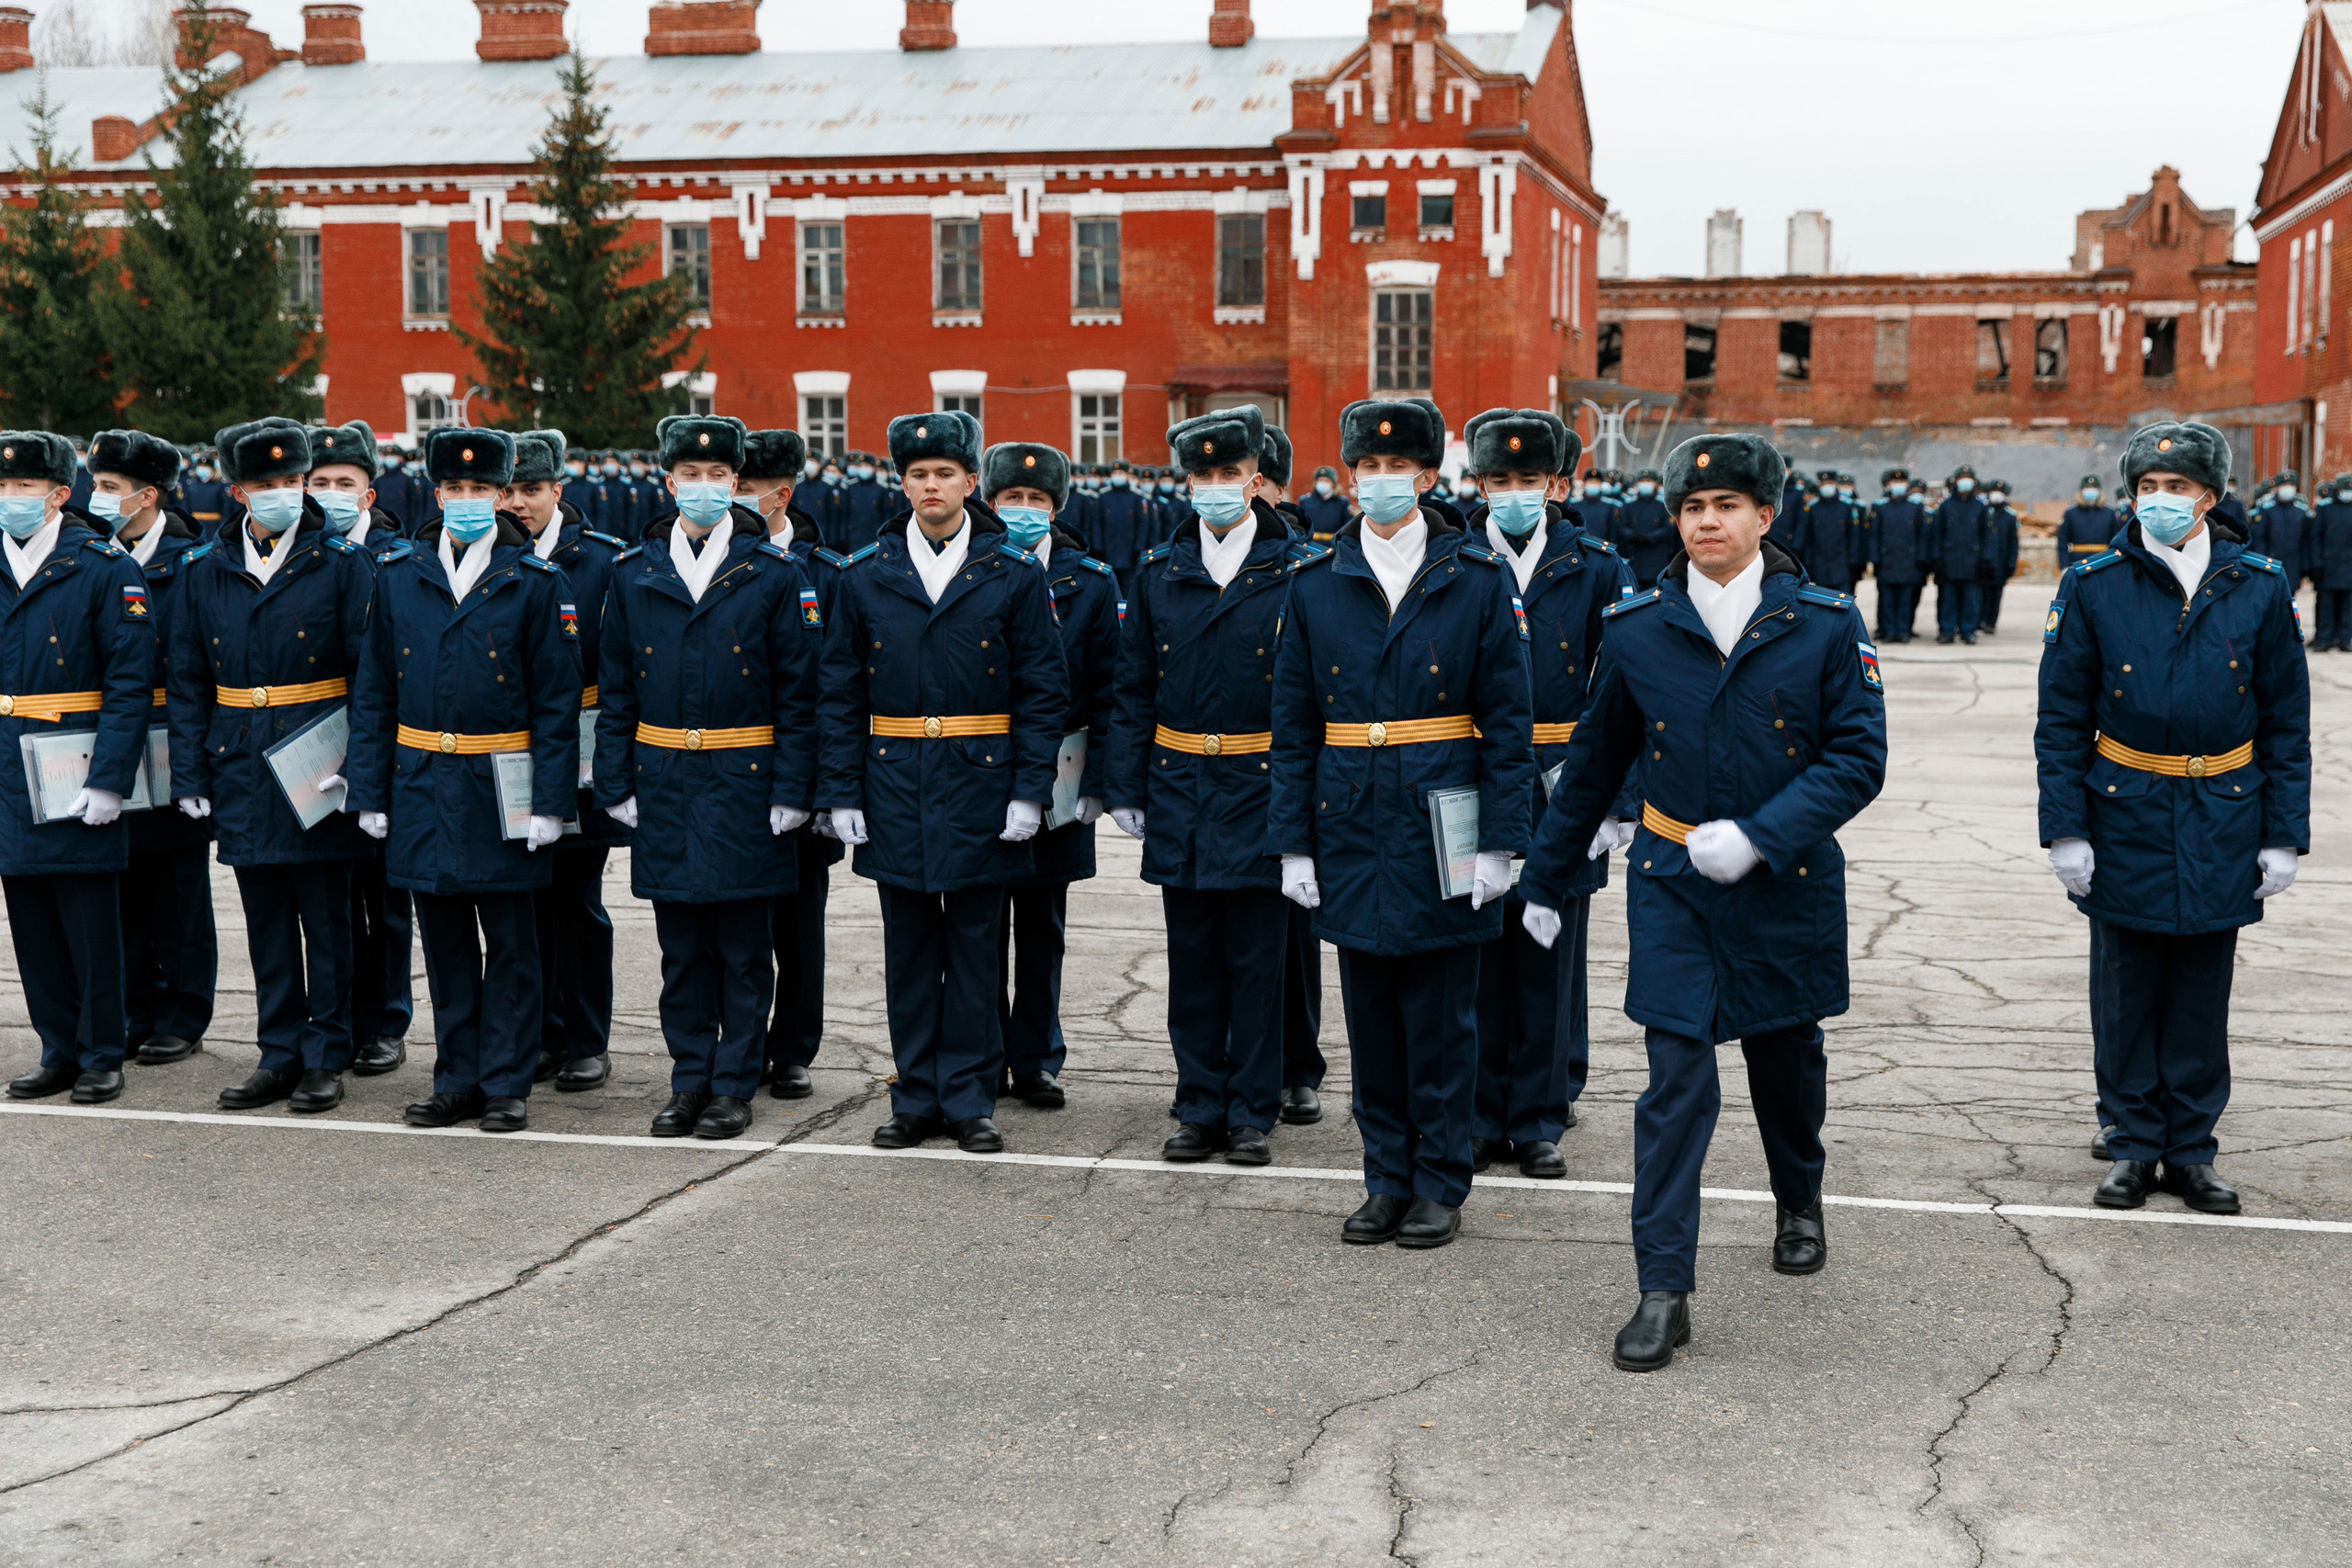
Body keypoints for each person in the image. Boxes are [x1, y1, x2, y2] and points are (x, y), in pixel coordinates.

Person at [1519, 432, 1886, 1372]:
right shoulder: (1637, 624)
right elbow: (1597, 762)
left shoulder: (1824, 622)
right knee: (1676, 1082)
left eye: (1726, 506)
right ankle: (1662, 1289)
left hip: (1784, 883)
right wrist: (1546, 878)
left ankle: (1797, 1198)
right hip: (1674, 884)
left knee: (1785, 1062)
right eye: (1692, 508)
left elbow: (1858, 761)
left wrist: (1763, 833)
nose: (1708, 521)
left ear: (1765, 516)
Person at [1268, 397, 1536, 1250]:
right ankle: (1384, 1177)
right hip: (1349, 819)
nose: (1379, 482)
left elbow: (1507, 719)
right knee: (1372, 1019)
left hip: (1442, 819)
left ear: (1428, 477)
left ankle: (1439, 1181)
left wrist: (1505, 838)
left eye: (1396, 469)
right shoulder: (1315, 581)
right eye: (1365, 469)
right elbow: (1293, 723)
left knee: (1444, 1021)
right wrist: (1293, 842)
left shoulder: (1476, 579)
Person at [2036, 422, 2308, 1216]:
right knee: (2125, 986)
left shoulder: (2257, 583)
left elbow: (2287, 720)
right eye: (2147, 489)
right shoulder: (2094, 584)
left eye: (2177, 488)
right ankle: (2130, 1143)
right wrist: (2066, 827)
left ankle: (2190, 1149)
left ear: (2210, 498)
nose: (2160, 501)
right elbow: (2059, 719)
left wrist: (2283, 832)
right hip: (2124, 808)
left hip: (2224, 810)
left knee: (2199, 988)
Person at [818, 412, 1066, 1153]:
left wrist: (1031, 789)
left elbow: (1041, 689)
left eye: (946, 474)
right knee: (911, 949)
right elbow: (836, 690)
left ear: (969, 484)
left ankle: (969, 1096)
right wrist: (842, 790)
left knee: (974, 945)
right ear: (904, 483)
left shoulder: (1012, 573)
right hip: (894, 780)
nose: (932, 486)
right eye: (919, 475)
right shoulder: (864, 574)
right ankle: (915, 1093)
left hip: (981, 782)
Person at [348, 428, 581, 1134]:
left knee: (511, 942)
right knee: (443, 940)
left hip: (498, 781)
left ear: (503, 495)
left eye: (483, 490)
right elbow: (373, 692)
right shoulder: (399, 572)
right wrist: (369, 791)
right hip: (421, 779)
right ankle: (457, 1076)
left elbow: (557, 700)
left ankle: (507, 1079)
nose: (468, 500)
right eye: (456, 489)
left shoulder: (536, 581)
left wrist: (551, 801)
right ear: (436, 492)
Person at [594, 417, 817, 1138]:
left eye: (718, 476)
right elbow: (617, 687)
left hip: (745, 780)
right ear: (669, 482)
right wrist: (614, 779)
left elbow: (798, 692)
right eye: (690, 476)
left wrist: (792, 789)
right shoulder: (634, 572)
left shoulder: (773, 573)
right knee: (682, 947)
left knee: (744, 948)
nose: (704, 487)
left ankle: (733, 1083)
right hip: (663, 776)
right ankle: (689, 1077)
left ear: (735, 483)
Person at [1110, 406, 1300, 1162]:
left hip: (1260, 781)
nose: (1216, 488)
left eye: (1230, 476)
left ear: (1256, 482)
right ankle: (1198, 1103)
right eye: (1203, 476)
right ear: (1185, 484)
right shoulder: (1160, 571)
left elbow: (1310, 698)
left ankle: (1252, 1107)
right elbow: (1132, 687)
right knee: (1191, 959)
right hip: (1182, 781)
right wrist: (1126, 786)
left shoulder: (1297, 569)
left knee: (1257, 958)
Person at [170, 420, 376, 1115]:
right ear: (238, 492)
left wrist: (360, 768)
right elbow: (190, 678)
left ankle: (326, 1052)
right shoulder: (207, 568)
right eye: (267, 485)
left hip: (318, 758)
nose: (284, 494)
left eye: (293, 481)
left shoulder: (342, 562)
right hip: (240, 761)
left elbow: (369, 678)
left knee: (325, 919)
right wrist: (191, 776)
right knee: (264, 920)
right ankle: (279, 1051)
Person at [1461, 408, 1631, 1179]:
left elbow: (1624, 692)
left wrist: (1614, 800)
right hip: (1476, 776)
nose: (1515, 494)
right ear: (1480, 484)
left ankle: (1535, 1116)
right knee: (1476, 950)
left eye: (1530, 481)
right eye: (1501, 481)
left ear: (1558, 484)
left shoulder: (1596, 564)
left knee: (1549, 954)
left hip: (1566, 778)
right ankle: (1478, 1110)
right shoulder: (1456, 554)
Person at [0, 432, 154, 1107]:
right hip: (8, 758)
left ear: (61, 495)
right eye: (3, 489)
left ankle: (101, 1051)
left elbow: (130, 682)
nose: (10, 500)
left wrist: (109, 779)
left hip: (74, 753)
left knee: (89, 921)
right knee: (30, 916)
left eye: (24, 489)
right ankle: (57, 1047)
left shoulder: (102, 564)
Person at [983, 441, 1117, 1112]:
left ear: (1058, 508)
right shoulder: (976, 565)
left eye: (1038, 501)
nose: (1024, 511)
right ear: (991, 502)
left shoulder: (1090, 580)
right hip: (980, 768)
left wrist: (1099, 780)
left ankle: (1034, 1056)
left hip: (1062, 775)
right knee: (979, 927)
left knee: (1042, 926)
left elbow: (1109, 685)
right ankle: (981, 1055)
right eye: (1012, 499)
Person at [499, 429, 629, 1095]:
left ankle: (584, 1036)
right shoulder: (490, 555)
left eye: (532, 490)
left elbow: (617, 666)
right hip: (506, 755)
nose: (519, 503)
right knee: (520, 902)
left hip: (578, 749)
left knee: (576, 900)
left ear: (558, 490)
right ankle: (539, 1036)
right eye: (510, 490)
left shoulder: (600, 563)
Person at [87, 430, 215, 1070]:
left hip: (173, 735)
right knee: (123, 882)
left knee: (179, 887)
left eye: (111, 488)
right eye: (97, 484)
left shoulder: (193, 561)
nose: (99, 497)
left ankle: (184, 1013)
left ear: (148, 494)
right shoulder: (89, 555)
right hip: (108, 738)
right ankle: (137, 1007)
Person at [303, 422, 415, 1077]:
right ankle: (337, 1016)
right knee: (328, 897)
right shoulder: (305, 554)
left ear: (370, 494)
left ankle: (386, 1020)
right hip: (314, 747)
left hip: (383, 745)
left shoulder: (398, 557)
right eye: (321, 483)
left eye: (346, 483)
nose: (333, 493)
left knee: (384, 894)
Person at [734, 429, 839, 1100]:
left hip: (798, 769)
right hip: (730, 769)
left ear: (782, 495)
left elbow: (835, 684)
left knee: (799, 925)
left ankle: (794, 1045)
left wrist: (827, 788)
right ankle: (738, 1043)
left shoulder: (827, 571)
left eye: (746, 489)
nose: (736, 499)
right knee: (737, 924)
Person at [1260, 424, 1329, 1120]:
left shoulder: (1310, 562)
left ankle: (1298, 1061)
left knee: (1294, 930)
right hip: (1225, 762)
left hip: (1292, 757)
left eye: (1258, 478)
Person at [1928, 464, 1993, 644]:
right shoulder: (1945, 506)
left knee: (1971, 600)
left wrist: (1986, 559)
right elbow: (1936, 535)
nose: (1965, 482)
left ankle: (1968, 631)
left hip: (1972, 562)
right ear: (1955, 482)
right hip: (1949, 562)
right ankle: (1946, 631)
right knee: (1947, 599)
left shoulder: (1981, 507)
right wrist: (1936, 559)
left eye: (1969, 479)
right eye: (1962, 479)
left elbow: (1987, 536)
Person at [1870, 468, 1928, 643]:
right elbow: (1874, 535)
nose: (1898, 485)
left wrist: (1920, 558)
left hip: (1908, 562)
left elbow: (1922, 535)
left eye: (1902, 482)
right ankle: (1888, 631)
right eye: (1895, 482)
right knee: (1887, 600)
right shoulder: (1880, 506)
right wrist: (1875, 559)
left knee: (1904, 600)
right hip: (1887, 561)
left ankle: (1902, 631)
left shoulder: (1915, 507)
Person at [1611, 467, 1677, 588]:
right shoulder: (1629, 506)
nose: (1645, 484)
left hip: (1657, 560)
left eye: (1649, 481)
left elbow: (1668, 529)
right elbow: (1621, 527)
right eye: (1643, 481)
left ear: (1655, 484)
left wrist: (1649, 538)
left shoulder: (1663, 506)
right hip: (1635, 558)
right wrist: (1632, 536)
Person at [2307, 474, 2352, 651]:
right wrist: (2315, 564)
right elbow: (2315, 538)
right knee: (2326, 605)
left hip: (2348, 566)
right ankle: (2324, 639)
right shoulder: (2325, 508)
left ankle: (2345, 638)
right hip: (2327, 567)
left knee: (2348, 606)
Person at [2256, 469, 2310, 605]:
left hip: (2293, 566)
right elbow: (2259, 539)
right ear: (2277, 487)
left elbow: (2306, 541)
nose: (2288, 488)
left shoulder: (2300, 510)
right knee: (2269, 604)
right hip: (2271, 565)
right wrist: (2262, 563)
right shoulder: (2267, 509)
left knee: (2289, 605)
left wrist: (2305, 568)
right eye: (2284, 485)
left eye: (2291, 485)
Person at [1798, 472, 1858, 593]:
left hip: (1842, 564)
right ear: (1820, 485)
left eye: (1830, 483)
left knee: (1843, 603)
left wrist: (1853, 562)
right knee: (1823, 604)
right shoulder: (1812, 507)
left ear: (1835, 484)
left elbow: (1854, 537)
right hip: (1820, 565)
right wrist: (1808, 563)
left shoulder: (1846, 506)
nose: (1827, 487)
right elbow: (1808, 538)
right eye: (1824, 484)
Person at [1982, 479, 2021, 633]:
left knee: (1996, 595)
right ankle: (1980, 620)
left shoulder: (2010, 516)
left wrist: (2011, 563)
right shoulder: (1983, 511)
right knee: (1981, 593)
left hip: (2001, 561)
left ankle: (1991, 623)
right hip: (1984, 561)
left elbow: (2013, 542)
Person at [2057, 475, 2120, 570]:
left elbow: (2116, 541)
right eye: (2087, 488)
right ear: (2080, 491)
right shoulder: (2071, 513)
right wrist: (2064, 566)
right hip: (2077, 562)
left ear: (2099, 491)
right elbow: (2062, 541)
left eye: (2094, 487)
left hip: (2103, 561)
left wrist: (2114, 562)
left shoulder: (2110, 513)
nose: (2090, 490)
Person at [1297, 464, 1351, 542]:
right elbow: (1300, 525)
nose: (1323, 483)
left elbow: (1347, 526)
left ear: (1333, 483)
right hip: (1311, 545)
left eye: (1326, 481)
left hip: (1333, 545)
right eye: (1320, 480)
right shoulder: (1305, 501)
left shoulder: (1342, 502)